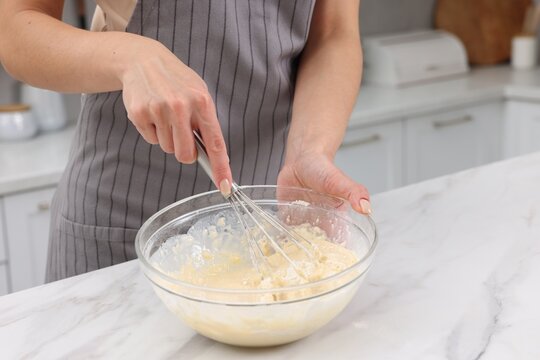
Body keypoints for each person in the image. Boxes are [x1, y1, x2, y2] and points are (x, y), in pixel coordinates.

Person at [0, 0, 370, 281]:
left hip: (269, 223)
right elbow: (16, 30)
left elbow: (333, 34)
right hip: (119, 223)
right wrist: (131, 57)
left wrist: (310, 151)